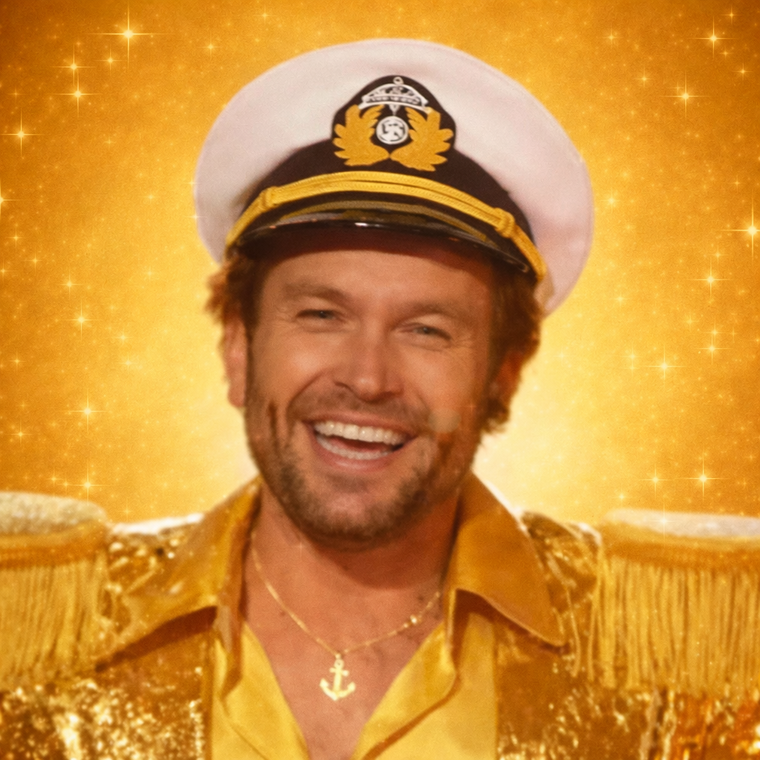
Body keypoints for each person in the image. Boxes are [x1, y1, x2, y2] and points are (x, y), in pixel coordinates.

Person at [0, 38, 758, 759]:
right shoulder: (34, 633)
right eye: (321, 315)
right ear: (238, 346)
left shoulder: (686, 657)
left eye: (427, 330)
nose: (367, 378)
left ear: (504, 372)